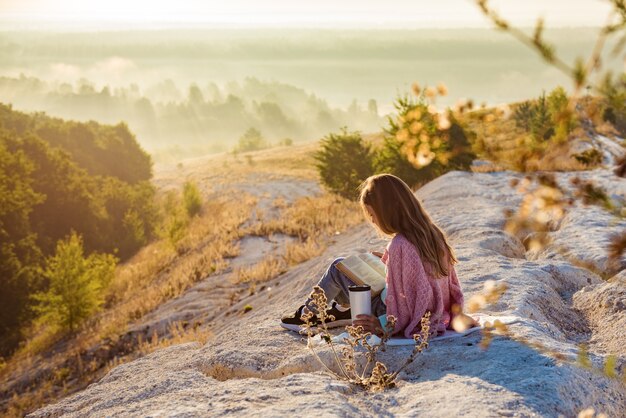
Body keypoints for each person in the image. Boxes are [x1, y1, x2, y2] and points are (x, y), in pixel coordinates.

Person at [280, 173, 465, 338]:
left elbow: (405, 304)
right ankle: (343, 309)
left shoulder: (400, 244)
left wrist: (383, 324)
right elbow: (424, 282)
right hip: (421, 308)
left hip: (389, 310)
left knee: (339, 267)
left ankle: (307, 315)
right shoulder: (432, 233)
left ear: (386, 213)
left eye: (372, 215)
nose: (374, 221)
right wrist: (387, 262)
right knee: (356, 268)